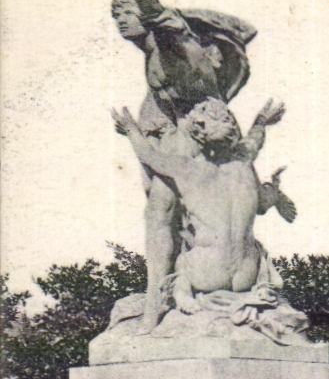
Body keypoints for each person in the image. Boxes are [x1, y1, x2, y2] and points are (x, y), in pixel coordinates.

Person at [110, 0, 283, 331]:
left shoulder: (176, 42)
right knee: (164, 210)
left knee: (161, 209)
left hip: (202, 130)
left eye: (124, 13)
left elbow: (152, 6)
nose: (120, 23)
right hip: (179, 130)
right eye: (116, 17)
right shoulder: (155, 53)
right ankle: (166, 290)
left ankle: (155, 302)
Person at [111, 98, 289, 322]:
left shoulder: (185, 169)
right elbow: (255, 139)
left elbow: (148, 155)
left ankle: (180, 291)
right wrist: (262, 120)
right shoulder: (244, 164)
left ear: (195, 134)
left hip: (207, 275)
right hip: (246, 275)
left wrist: (129, 128)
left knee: (182, 256)